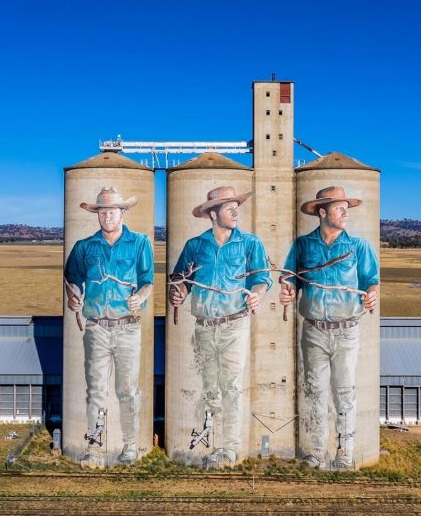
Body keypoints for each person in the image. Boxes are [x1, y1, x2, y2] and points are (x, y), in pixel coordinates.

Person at [170, 186, 272, 466]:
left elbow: (262, 278)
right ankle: (208, 443)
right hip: (203, 328)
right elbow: (180, 280)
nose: (235, 211)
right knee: (209, 388)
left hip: (233, 325)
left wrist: (257, 294)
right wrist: (177, 292)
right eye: (229, 207)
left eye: (236, 205)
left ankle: (229, 448)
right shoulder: (195, 246)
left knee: (231, 387)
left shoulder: (251, 243)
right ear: (213, 213)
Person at [279, 185, 379, 470]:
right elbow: (290, 278)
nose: (345, 211)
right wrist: (287, 290)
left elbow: (370, 280)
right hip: (313, 331)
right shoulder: (302, 245)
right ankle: (316, 453)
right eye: (338, 207)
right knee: (315, 393)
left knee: (345, 393)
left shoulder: (359, 247)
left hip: (347, 331)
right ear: (321, 212)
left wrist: (371, 294)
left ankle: (345, 454)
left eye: (346, 206)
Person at [64, 186, 154, 465]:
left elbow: (147, 279)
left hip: (128, 327)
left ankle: (129, 446)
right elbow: (71, 279)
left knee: (127, 390)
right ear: (97, 214)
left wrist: (140, 297)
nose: (107, 217)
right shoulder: (84, 247)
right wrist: (73, 297)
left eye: (112, 211)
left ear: (123, 212)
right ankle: (94, 448)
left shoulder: (140, 243)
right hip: (97, 328)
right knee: (96, 390)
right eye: (102, 212)